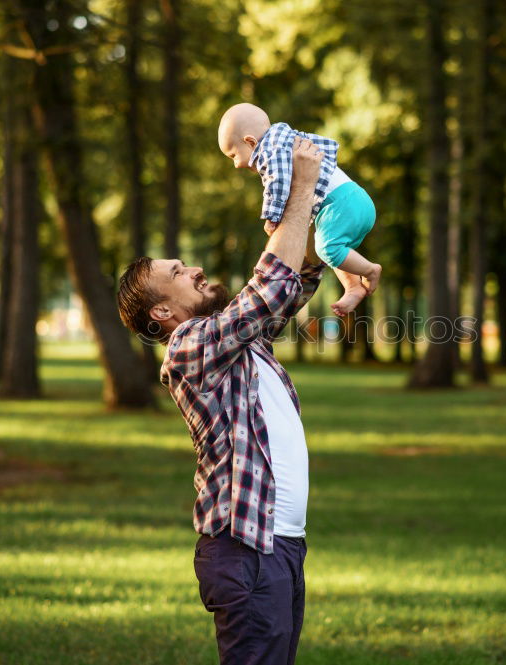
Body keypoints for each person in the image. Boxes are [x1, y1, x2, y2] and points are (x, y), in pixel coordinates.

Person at [117, 138, 325, 665]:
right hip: (247, 549)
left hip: (279, 546)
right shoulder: (188, 349)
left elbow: (294, 281)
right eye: (177, 273)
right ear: (162, 313)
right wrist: (299, 187)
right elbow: (271, 290)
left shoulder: (240, 343)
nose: (192, 270)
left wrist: (309, 202)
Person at [217, 102, 381, 316]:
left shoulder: (270, 152)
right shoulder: (284, 139)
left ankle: (370, 270)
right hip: (351, 200)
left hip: (341, 204)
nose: (237, 165)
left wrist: (272, 217)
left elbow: (278, 184)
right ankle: (353, 286)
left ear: (250, 142)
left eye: (233, 156)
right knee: (331, 246)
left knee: (326, 249)